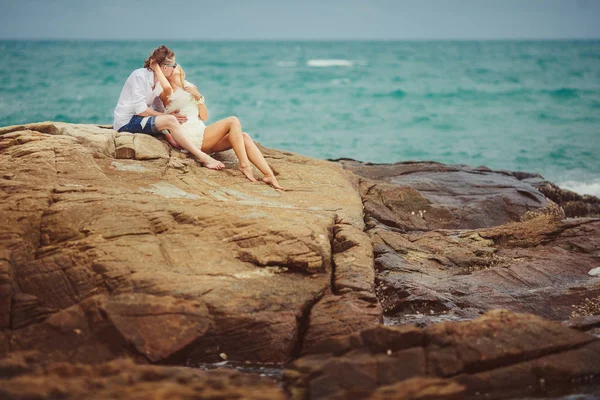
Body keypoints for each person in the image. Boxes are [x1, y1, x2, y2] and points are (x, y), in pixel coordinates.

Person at [152, 61, 283, 190]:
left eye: (175, 65)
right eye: (170, 66)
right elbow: (164, 100)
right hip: (189, 137)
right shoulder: (166, 92)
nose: (174, 67)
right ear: (165, 73)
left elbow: (204, 117)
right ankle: (244, 165)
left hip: (202, 133)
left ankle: (268, 175)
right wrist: (156, 67)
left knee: (244, 137)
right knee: (233, 121)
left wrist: (197, 95)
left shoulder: (191, 86)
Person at [113, 45, 224, 170]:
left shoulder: (158, 82)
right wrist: (167, 117)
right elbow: (141, 110)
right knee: (170, 119)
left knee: (170, 119)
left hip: (140, 119)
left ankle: (183, 143)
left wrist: (171, 116)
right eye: (174, 65)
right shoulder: (139, 75)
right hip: (127, 122)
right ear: (165, 67)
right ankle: (203, 157)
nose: (176, 67)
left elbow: (158, 107)